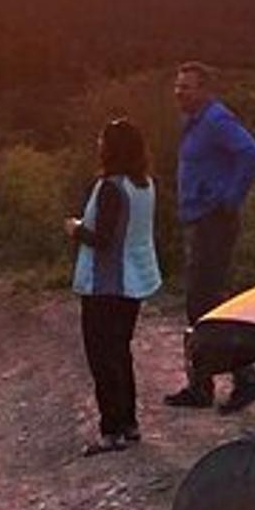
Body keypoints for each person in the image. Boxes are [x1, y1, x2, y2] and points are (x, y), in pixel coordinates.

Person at [164, 61, 255, 414]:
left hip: (213, 222)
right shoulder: (195, 123)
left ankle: (242, 380)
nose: (179, 92)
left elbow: (252, 153)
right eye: (177, 86)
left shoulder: (216, 120)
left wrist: (229, 198)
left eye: (187, 87)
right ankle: (204, 383)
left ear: (205, 90)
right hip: (200, 220)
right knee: (205, 303)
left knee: (205, 305)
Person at [65, 118, 162, 456]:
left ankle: (111, 430)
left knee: (102, 357)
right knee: (120, 352)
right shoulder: (145, 184)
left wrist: (76, 229)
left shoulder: (110, 187)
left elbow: (103, 238)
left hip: (106, 283)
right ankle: (128, 422)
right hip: (135, 280)